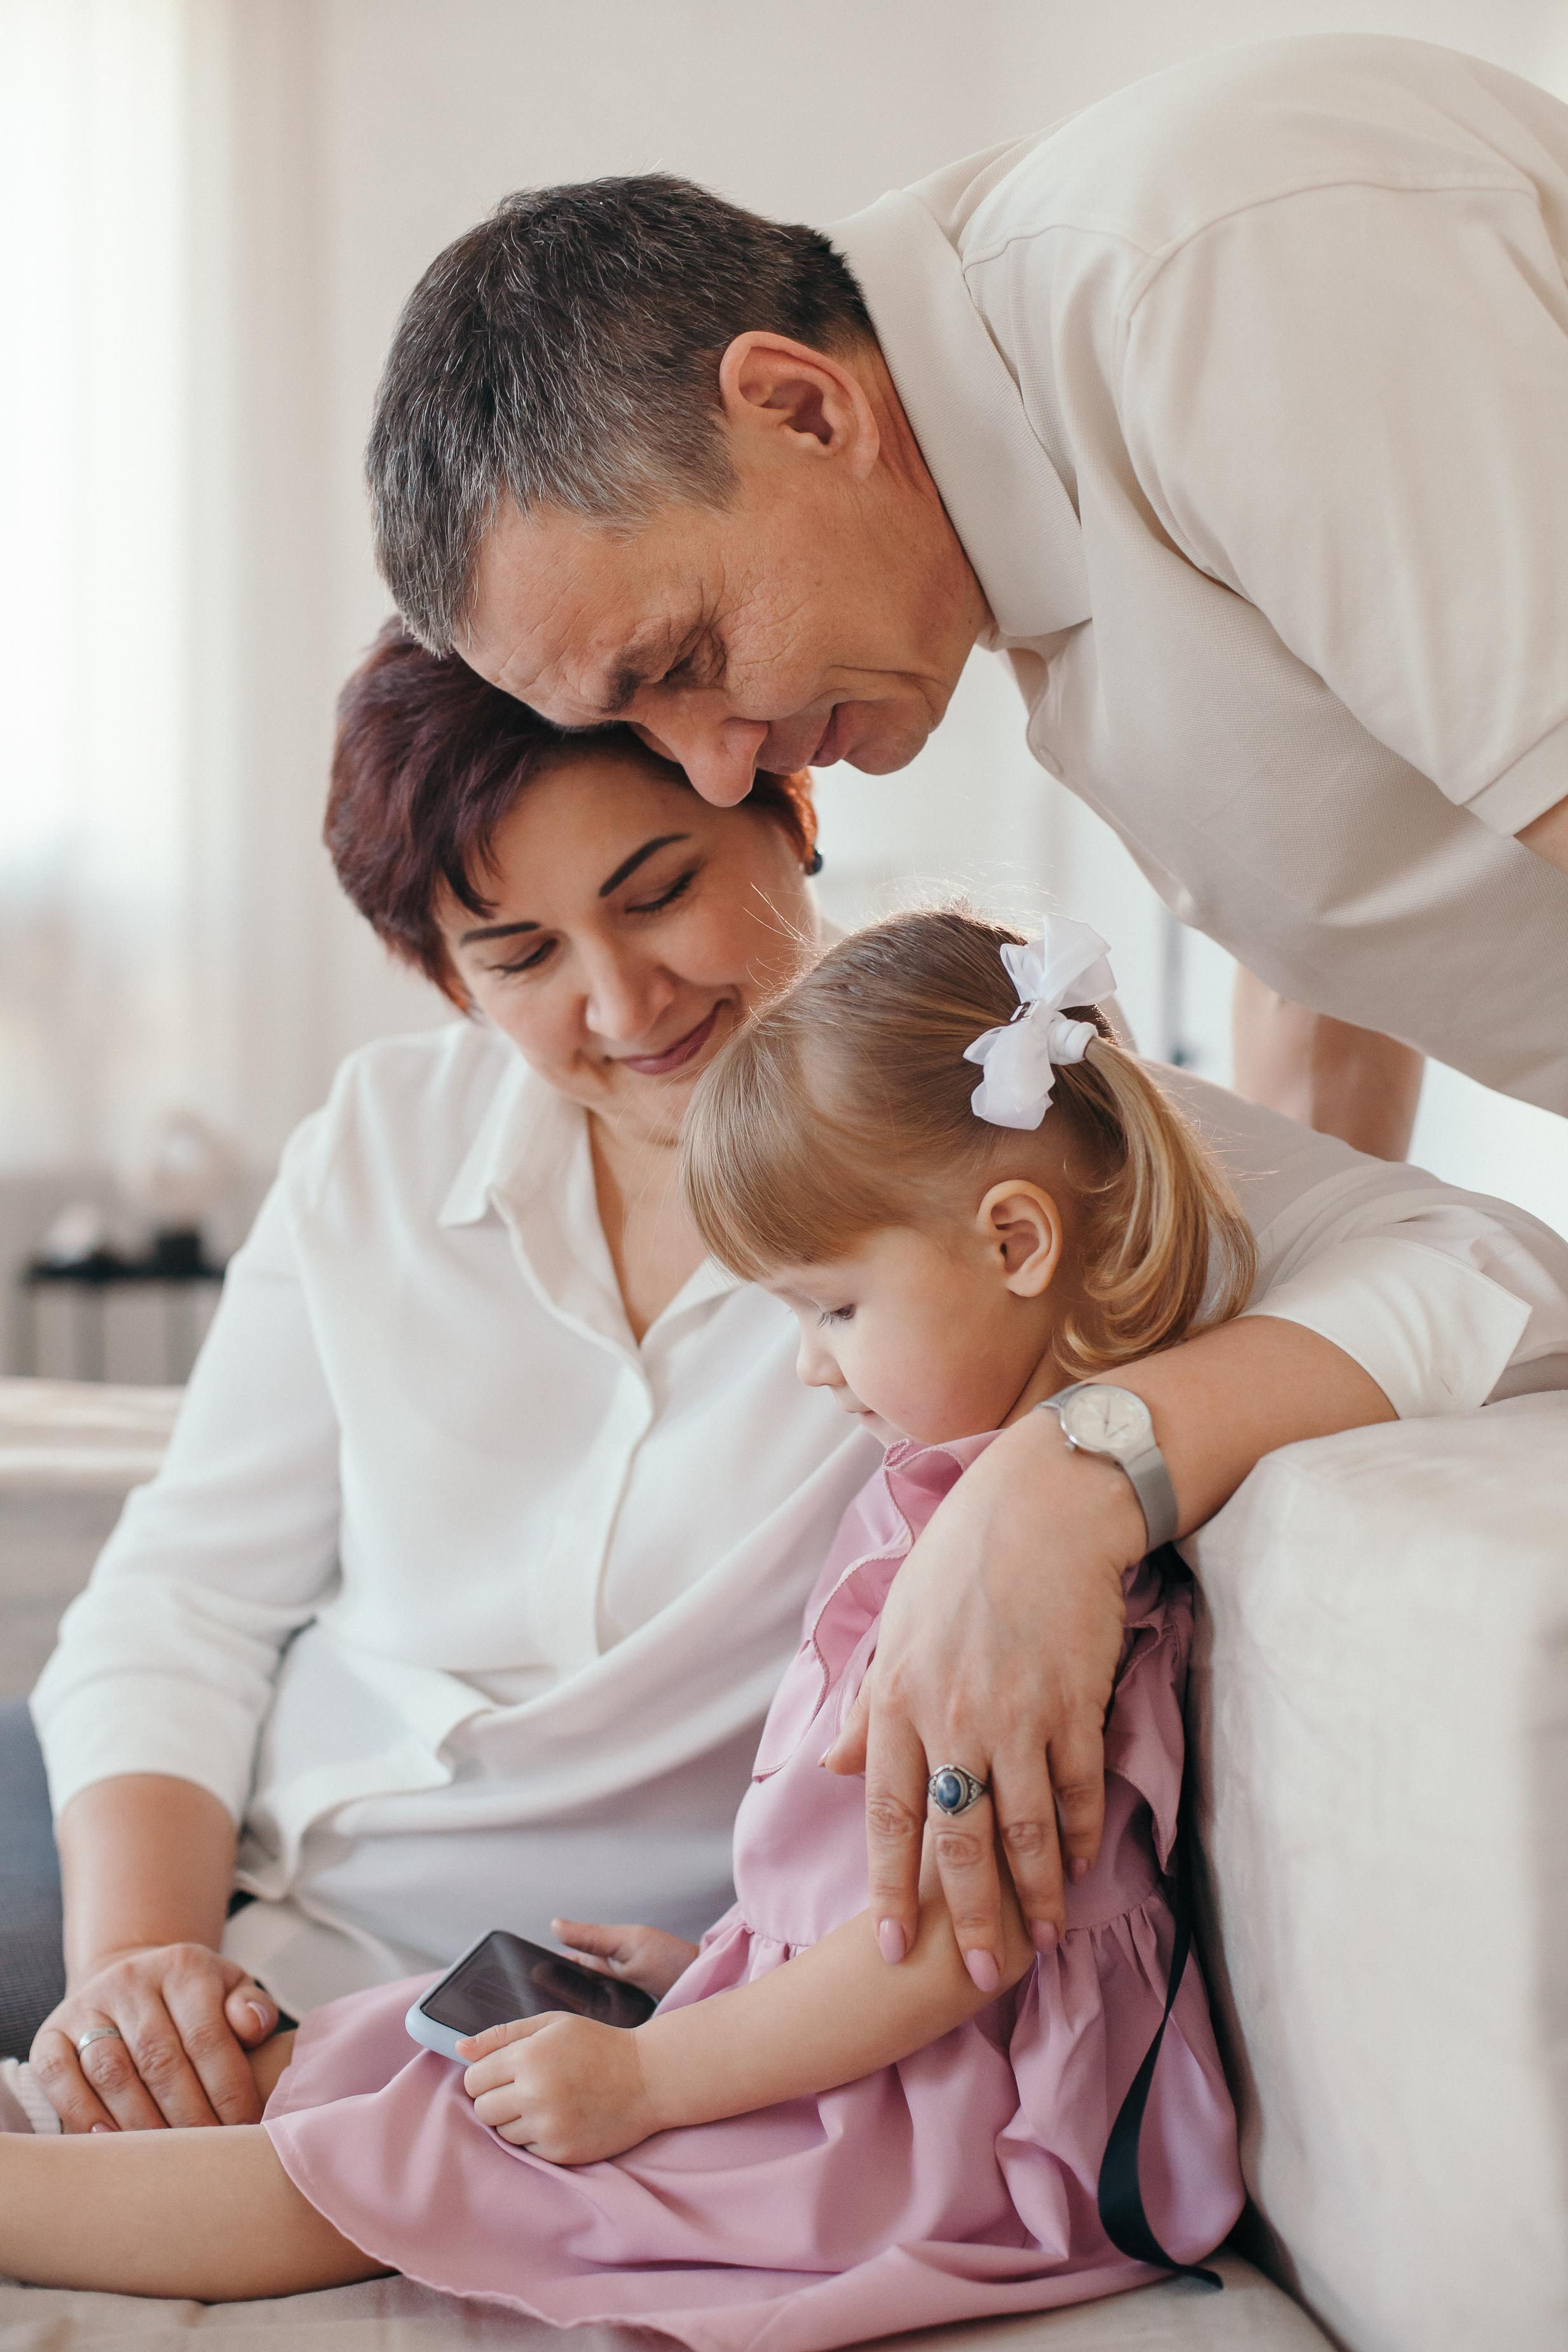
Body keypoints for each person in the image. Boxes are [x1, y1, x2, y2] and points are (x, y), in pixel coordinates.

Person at [360, 29, 1568, 1974]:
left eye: (687, 656)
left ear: (794, 404)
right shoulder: (1034, 579)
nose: (726, 762)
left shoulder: (1199, 268)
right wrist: (1159, 1407)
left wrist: (1086, 1456)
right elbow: (1336, 961)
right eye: (638, 724)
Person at [9, 639, 1567, 2136]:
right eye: (522, 955)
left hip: (592, 2000)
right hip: (232, 1897)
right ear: (445, 976)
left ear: (787, 817)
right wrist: (133, 1968)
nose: (625, 1007)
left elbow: (1491, 1265)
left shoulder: (1001, 1129)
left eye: (663, 890)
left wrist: (1074, 1472)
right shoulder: (377, 1140)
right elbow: (185, 1601)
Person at [0, 909, 1285, 2330]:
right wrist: (726, 1969)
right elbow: (877, 1899)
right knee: (392, 2034)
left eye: (834, 1308)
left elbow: (952, 1946)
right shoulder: (937, 1503)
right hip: (876, 2032)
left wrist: (661, 2074)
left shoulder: (1022, 1583)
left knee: (443, 2139)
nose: (808, 1366)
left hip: (960, 2124)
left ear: (1016, 1240)